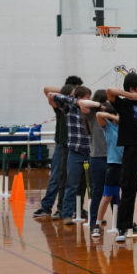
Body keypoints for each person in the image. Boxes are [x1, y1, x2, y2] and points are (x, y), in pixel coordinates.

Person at [106, 72, 137, 242]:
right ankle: (123, 228)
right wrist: (129, 95)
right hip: (131, 152)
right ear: (132, 88)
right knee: (128, 189)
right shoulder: (123, 104)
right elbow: (110, 91)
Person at [34, 75, 83, 219]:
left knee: (73, 180)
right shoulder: (61, 104)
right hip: (62, 145)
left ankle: (72, 208)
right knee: (56, 177)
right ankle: (46, 207)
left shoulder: (78, 104)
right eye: (75, 90)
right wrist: (68, 92)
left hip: (75, 146)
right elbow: (47, 90)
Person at [50, 85, 92, 225]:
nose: (89, 101)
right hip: (75, 152)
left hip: (90, 152)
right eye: (86, 98)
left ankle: (93, 215)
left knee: (90, 185)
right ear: (79, 98)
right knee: (71, 184)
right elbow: (51, 94)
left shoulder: (90, 110)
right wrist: (75, 101)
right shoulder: (69, 108)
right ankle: (67, 214)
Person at [79, 90, 108, 230]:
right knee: (98, 191)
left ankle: (122, 224)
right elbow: (82, 103)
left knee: (114, 192)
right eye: (107, 100)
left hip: (113, 158)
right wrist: (100, 105)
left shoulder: (112, 115)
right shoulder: (93, 115)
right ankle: (94, 222)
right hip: (98, 158)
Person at [94, 104, 122, 238]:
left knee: (127, 196)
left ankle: (124, 226)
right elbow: (99, 115)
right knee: (107, 196)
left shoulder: (127, 127)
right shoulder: (109, 127)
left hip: (128, 165)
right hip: (113, 164)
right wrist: (114, 117)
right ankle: (97, 224)